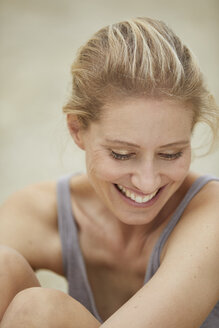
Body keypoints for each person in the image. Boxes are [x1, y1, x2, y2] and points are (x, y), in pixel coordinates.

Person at [0, 17, 218, 328]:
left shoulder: (211, 216)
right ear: (77, 129)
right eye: (122, 154)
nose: (147, 181)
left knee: (39, 311)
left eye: (171, 154)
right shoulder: (40, 212)